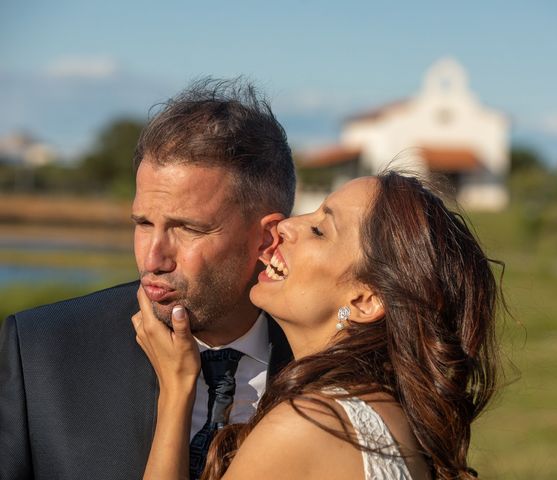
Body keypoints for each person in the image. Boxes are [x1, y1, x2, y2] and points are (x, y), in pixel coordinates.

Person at [0, 78, 295, 480]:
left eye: (187, 228)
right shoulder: (40, 350)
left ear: (266, 238)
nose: (152, 258)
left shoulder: (331, 362)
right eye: (142, 223)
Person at [133, 171, 503, 479]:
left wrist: (176, 389)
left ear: (364, 300)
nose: (286, 226)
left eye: (320, 230)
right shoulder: (382, 411)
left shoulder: (308, 424)